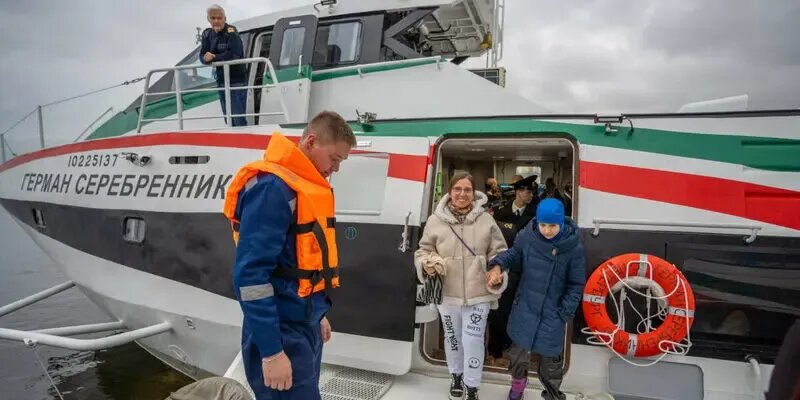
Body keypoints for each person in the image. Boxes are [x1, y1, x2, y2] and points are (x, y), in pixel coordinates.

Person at [223, 111, 356, 399]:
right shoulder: (272, 189)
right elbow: (250, 277)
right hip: (280, 331)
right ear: (311, 142)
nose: (335, 169)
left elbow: (300, 263)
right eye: (334, 159)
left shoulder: (301, 186)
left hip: (304, 324)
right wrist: (271, 352)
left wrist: (317, 314)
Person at [414, 172, 509, 400]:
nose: (462, 194)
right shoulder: (435, 221)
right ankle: (456, 375)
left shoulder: (486, 220)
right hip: (448, 294)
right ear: (450, 192)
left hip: (479, 293)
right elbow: (423, 250)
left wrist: (497, 269)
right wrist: (426, 263)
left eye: (467, 190)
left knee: (473, 339)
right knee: (453, 338)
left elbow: (500, 252)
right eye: (457, 189)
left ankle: (472, 385)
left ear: (474, 193)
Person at [487, 198, 587, 400]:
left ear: (561, 223)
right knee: (517, 355)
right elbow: (513, 254)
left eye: (552, 226)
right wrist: (497, 265)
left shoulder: (573, 248)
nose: (547, 230)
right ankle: (517, 386)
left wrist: (564, 312)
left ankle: (552, 394)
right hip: (525, 308)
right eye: (543, 225)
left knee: (551, 364)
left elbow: (576, 284)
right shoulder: (527, 236)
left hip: (553, 313)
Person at [486, 175, 540, 362]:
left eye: (532, 192)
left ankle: (512, 349)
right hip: (504, 267)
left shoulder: (535, 213)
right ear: (517, 192)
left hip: (526, 269)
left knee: (518, 312)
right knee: (499, 311)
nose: (530, 195)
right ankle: (495, 350)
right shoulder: (500, 211)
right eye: (526, 191)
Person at [200, 4, 248, 127]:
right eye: (213, 18)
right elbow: (202, 55)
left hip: (236, 81)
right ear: (208, 19)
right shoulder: (207, 34)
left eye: (219, 18)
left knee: (238, 119)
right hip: (221, 81)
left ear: (224, 18)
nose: (216, 21)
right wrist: (205, 59)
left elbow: (235, 54)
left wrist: (214, 57)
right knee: (228, 119)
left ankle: (241, 137)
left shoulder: (231, 32)